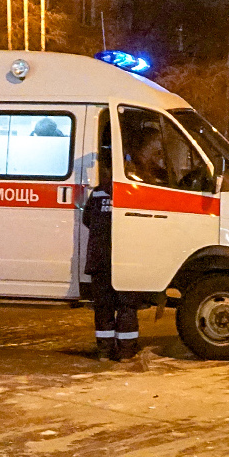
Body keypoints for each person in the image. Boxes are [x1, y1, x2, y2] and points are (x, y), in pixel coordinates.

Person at [82, 154, 142, 361]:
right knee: (126, 306)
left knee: (104, 307)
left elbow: (87, 218)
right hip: (125, 258)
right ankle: (125, 351)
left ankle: (104, 351)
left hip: (99, 259)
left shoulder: (98, 192)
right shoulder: (134, 191)